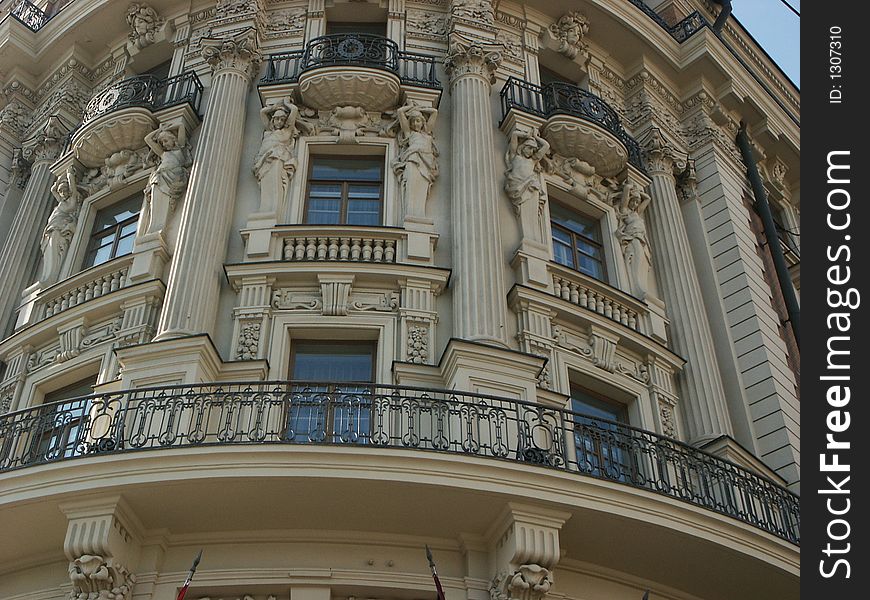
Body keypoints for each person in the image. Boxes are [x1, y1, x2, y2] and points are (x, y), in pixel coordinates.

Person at [253, 99, 309, 214]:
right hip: (262, 161)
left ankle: (270, 212)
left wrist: (287, 104)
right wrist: (275, 108)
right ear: (272, 120)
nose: (279, 122)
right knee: (266, 188)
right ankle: (267, 212)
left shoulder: (286, 131)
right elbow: (263, 112)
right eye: (277, 119)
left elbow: (294, 110)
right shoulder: (269, 131)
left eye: (282, 119)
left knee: (274, 185)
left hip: (276, 158)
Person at [393, 103, 438, 219]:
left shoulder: (427, 134)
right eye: (412, 121)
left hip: (426, 165)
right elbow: (400, 112)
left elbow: (434, 112)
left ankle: (418, 216)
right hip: (413, 162)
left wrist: (419, 108)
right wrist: (410, 107)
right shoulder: (409, 134)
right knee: (411, 190)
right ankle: (411, 216)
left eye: (418, 121)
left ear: (423, 122)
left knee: (422, 192)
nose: (415, 124)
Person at [504, 130, 550, 243]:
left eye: (533, 150)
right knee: (522, 213)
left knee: (530, 214)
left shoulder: (533, 161)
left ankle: (532, 239)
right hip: (516, 188)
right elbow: (514, 135)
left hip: (529, 187)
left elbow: (546, 146)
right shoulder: (515, 156)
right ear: (523, 147)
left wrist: (535, 137)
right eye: (529, 148)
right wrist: (526, 135)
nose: (530, 152)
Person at [41, 168, 82, 284]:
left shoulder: (71, 202)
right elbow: (53, 189)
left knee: (54, 250)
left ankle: (50, 277)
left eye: (65, 190)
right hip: (51, 228)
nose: (62, 193)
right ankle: (48, 276)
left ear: (68, 191)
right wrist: (62, 173)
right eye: (61, 191)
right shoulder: (61, 202)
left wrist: (69, 176)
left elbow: (74, 191)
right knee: (49, 251)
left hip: (59, 228)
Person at [615, 181, 653, 300]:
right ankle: (637, 285)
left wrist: (638, 192)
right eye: (634, 201)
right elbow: (625, 194)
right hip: (633, 238)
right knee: (637, 258)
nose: (635, 203)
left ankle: (638, 285)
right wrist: (629, 188)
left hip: (640, 238)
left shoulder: (636, 213)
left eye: (637, 202)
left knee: (642, 259)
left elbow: (648, 199)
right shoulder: (625, 211)